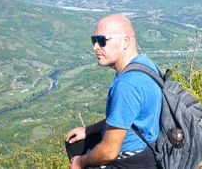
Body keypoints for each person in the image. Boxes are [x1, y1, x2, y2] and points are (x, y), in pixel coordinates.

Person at [65, 14, 162, 169]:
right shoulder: (145, 64)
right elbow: (126, 118)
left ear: (125, 42)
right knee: (75, 142)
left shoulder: (127, 85)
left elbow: (108, 152)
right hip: (149, 149)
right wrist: (88, 130)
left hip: (131, 160)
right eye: (94, 40)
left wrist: (80, 162)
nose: (95, 47)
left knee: (75, 151)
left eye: (102, 40)